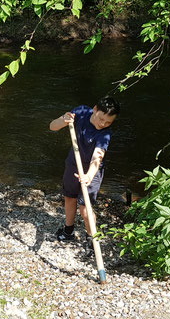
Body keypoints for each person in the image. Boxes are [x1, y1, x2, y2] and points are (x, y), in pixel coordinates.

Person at [49, 95, 120, 253]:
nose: (103, 124)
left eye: (108, 122)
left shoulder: (104, 134)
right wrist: (64, 120)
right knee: (69, 197)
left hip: (92, 171)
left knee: (85, 208)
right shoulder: (80, 112)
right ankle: (68, 231)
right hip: (73, 163)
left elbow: (98, 156)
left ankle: (92, 238)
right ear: (95, 109)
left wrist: (89, 175)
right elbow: (52, 126)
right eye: (101, 119)